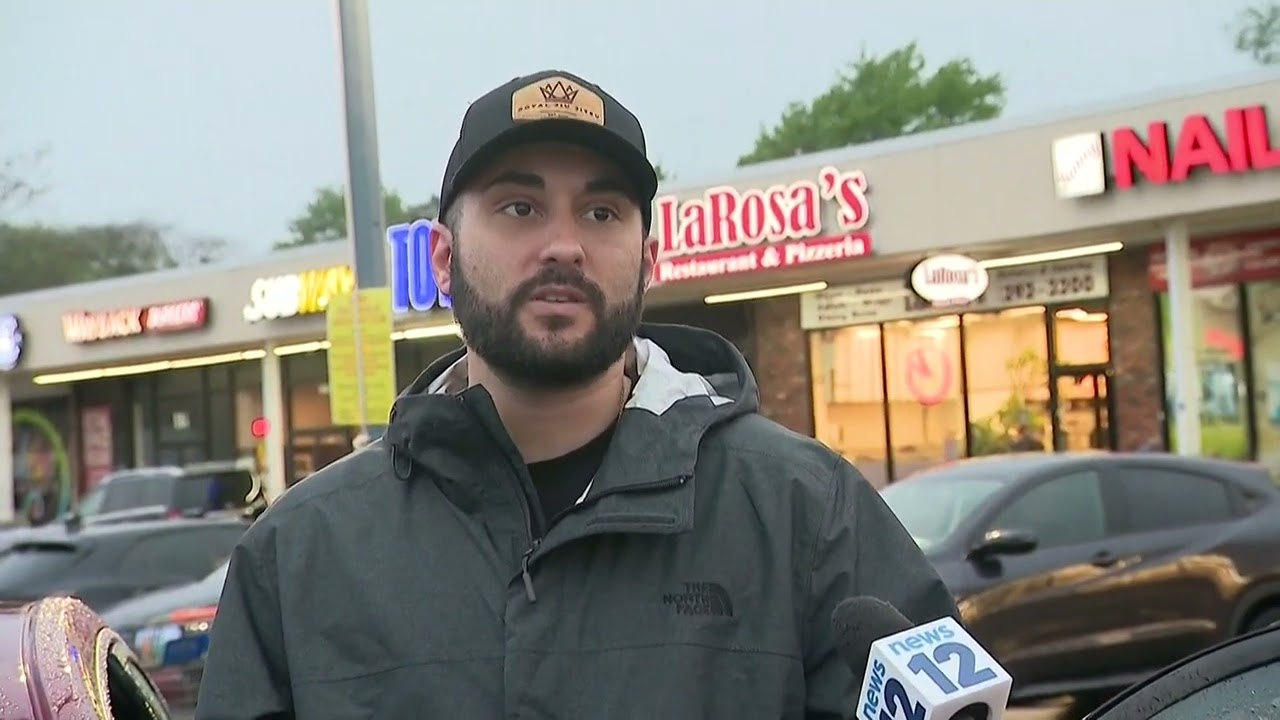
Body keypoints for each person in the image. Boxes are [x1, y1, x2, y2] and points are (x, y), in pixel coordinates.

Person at [196, 69, 957, 719]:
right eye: (520, 208)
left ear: (648, 260)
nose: (564, 244)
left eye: (602, 212)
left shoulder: (806, 513)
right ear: (441, 257)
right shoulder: (299, 556)